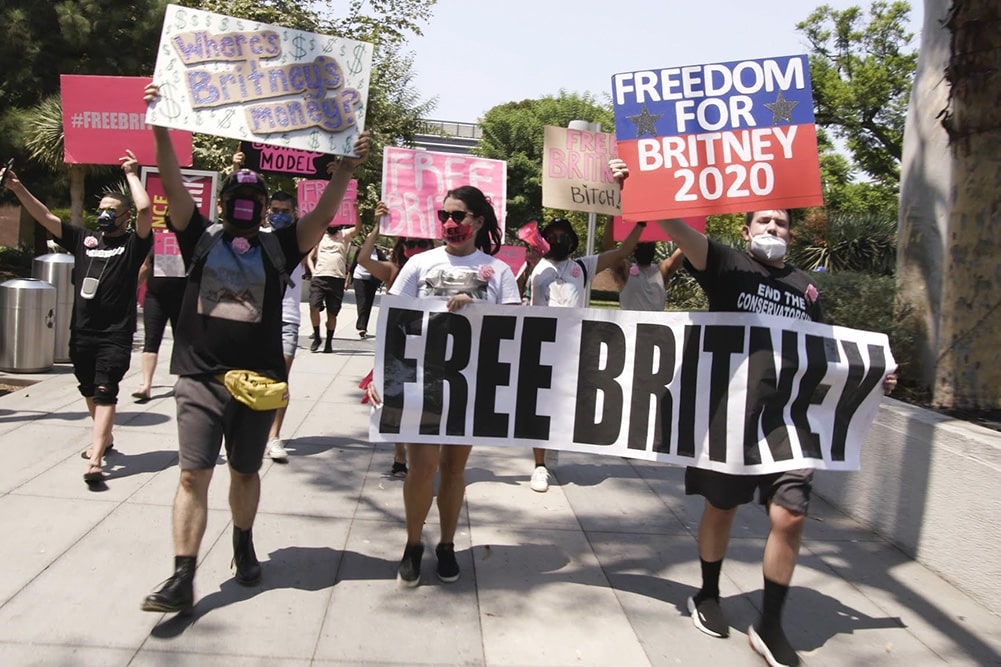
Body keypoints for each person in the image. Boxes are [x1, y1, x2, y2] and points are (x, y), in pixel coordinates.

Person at [609, 158, 898, 667]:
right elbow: (674, 223)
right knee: (721, 508)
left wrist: (874, 376)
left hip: (788, 424)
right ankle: (709, 593)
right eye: (764, 220)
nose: (773, 227)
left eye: (781, 222)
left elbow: (824, 353)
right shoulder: (725, 264)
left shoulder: (806, 289)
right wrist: (634, 185)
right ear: (745, 230)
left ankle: (770, 624)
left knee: (790, 516)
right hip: (728, 418)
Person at [140, 82, 368, 614]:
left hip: (258, 382)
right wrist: (158, 127)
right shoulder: (199, 236)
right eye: (236, 198)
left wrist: (344, 171)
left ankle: (243, 542)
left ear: (265, 208)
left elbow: (322, 214)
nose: (245, 204)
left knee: (244, 472)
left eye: (255, 199)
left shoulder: (279, 246)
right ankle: (182, 575)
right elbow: (171, 183)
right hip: (198, 377)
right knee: (193, 473)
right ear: (221, 203)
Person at [367, 186, 520, 588]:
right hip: (424, 384)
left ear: (478, 222)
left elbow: (516, 327)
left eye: (459, 216)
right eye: (444, 216)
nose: (450, 224)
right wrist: (378, 376)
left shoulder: (499, 272)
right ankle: (413, 545)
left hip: (469, 387)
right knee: (422, 469)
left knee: (454, 469)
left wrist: (479, 306)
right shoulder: (419, 263)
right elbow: (394, 321)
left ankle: (447, 545)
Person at [3, 152, 152, 487]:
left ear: (125, 217)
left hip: (115, 333)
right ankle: (107, 438)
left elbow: (145, 210)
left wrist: (130, 174)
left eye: (112, 211)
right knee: (88, 387)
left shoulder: (133, 244)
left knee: (105, 391)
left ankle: (97, 458)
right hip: (82, 330)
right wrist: (17, 188)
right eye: (101, 209)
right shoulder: (85, 240)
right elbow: (43, 216)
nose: (104, 215)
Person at [525, 217, 644, 492]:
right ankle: (540, 465)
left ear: (572, 240)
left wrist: (640, 224)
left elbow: (622, 252)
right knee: (541, 407)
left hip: (574, 348)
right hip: (541, 344)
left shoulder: (582, 266)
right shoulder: (535, 266)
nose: (557, 239)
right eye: (551, 235)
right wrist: (529, 264)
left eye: (563, 235)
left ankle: (552, 446)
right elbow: (513, 297)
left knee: (566, 405)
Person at [356, 202, 435, 478]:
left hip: (430, 344)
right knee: (399, 402)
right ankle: (400, 458)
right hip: (399, 345)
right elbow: (363, 260)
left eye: (422, 243)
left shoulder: (437, 270)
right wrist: (378, 226)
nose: (416, 247)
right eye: (411, 242)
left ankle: (421, 453)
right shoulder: (392, 270)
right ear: (402, 247)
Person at [262, 190, 307, 462]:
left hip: (287, 319)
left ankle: (273, 436)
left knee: (279, 381)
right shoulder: (257, 236)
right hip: (258, 316)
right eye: (274, 209)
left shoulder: (302, 239)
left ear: (295, 214)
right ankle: (250, 430)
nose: (279, 215)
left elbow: (323, 216)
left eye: (285, 211)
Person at [133, 228, 186, 403]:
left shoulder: (192, 241)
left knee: (182, 342)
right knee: (151, 340)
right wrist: (132, 289)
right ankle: (146, 385)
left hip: (181, 299)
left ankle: (182, 384)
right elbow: (146, 266)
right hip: (155, 298)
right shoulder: (159, 239)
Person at [601, 221, 685, 312]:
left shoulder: (625, 271)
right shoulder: (662, 271)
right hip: (639, 326)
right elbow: (686, 244)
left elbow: (608, 247)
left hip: (644, 326)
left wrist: (612, 218)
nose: (646, 245)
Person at [307, 216, 360, 353]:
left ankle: (328, 342)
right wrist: (313, 271)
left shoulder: (345, 235)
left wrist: (357, 211)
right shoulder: (320, 236)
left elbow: (358, 228)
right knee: (314, 307)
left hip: (336, 279)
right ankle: (317, 336)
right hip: (319, 278)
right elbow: (309, 257)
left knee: (332, 313)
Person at [346, 242, 383, 338]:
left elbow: (385, 263)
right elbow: (353, 265)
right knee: (362, 302)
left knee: (368, 303)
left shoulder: (378, 252)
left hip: (372, 280)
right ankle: (361, 327)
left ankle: (364, 326)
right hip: (359, 278)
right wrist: (347, 280)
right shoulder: (360, 250)